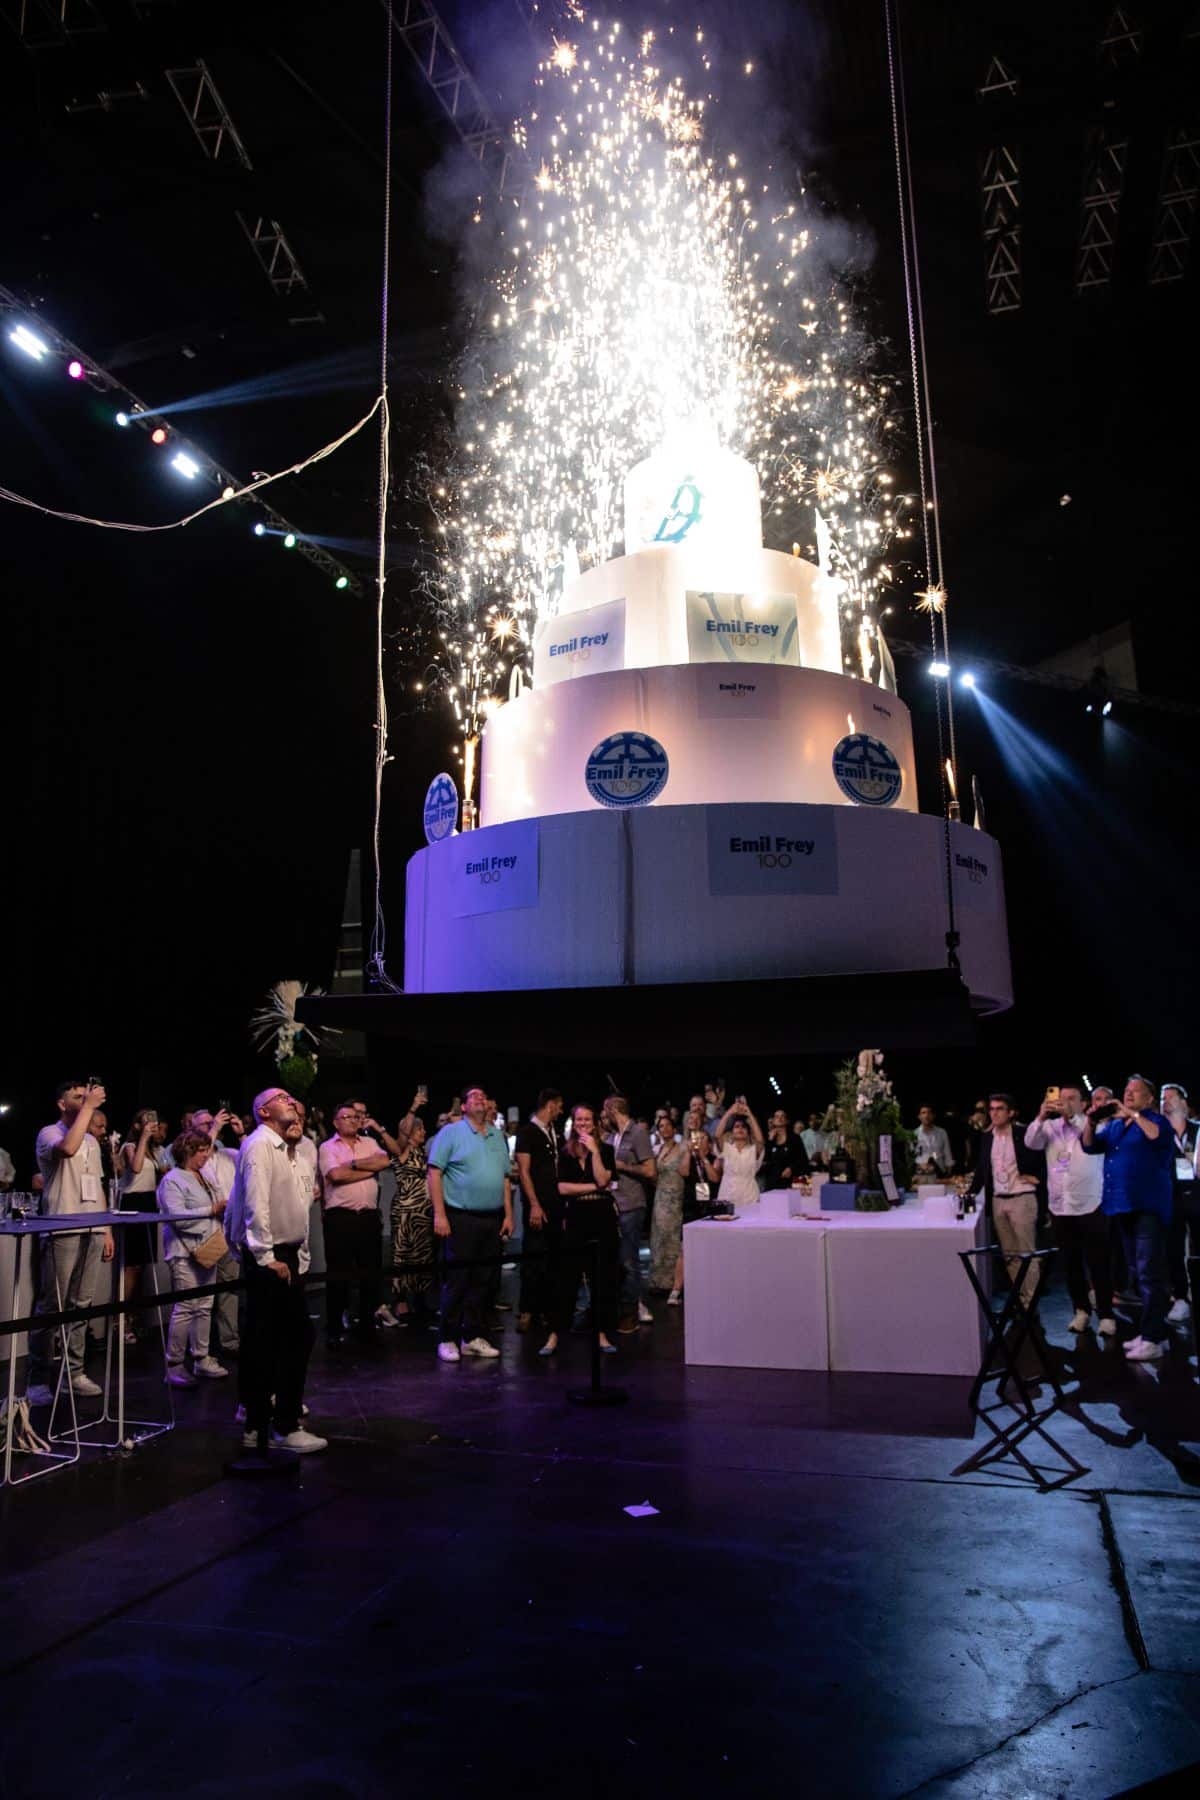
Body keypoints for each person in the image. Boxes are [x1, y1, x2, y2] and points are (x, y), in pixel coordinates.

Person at [226, 1087, 325, 1453]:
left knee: (274, 1338)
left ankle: (259, 1422)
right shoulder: (260, 1145)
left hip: (286, 1251)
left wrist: (299, 1253)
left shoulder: (295, 1150)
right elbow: (253, 1204)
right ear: (263, 1111)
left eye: (293, 1102)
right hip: (269, 1254)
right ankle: (280, 1424)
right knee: (287, 1337)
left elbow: (300, 1204)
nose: (292, 1104)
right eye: (282, 1099)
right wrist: (265, 1255)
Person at [30, 1080, 114, 1402]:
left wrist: (106, 1228)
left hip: (92, 1228)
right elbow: (67, 1149)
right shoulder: (49, 1133)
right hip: (61, 1228)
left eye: (86, 1095)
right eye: (77, 1097)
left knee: (82, 1304)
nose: (84, 1099)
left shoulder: (92, 1140)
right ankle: (38, 1378)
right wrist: (90, 1108)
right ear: (62, 1104)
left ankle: (73, 1373)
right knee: (52, 1305)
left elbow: (98, 1185)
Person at [1082, 1075, 1176, 1362]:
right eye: (1127, 1090)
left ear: (1149, 1099)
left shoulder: (1156, 1122)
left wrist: (1133, 1113)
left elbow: (1155, 1136)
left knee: (1150, 1274)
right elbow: (1089, 1146)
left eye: (1136, 1092)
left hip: (1147, 1206)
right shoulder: (1113, 1126)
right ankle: (1154, 1333)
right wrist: (1090, 1121)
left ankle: (1153, 1338)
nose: (1130, 1094)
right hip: (1121, 1206)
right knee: (1138, 1271)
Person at [427, 1086, 513, 1363]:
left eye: (483, 1096)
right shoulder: (451, 1133)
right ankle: (448, 1337)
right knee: (458, 1279)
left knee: (484, 1281)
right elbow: (435, 1172)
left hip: (492, 1218)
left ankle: (472, 1336)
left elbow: (505, 1179)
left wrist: (509, 1215)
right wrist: (439, 1214)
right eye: (474, 1096)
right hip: (461, 1217)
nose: (480, 1099)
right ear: (463, 1106)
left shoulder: (497, 1135)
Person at [1024, 1085, 1115, 1336]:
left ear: (1083, 1103)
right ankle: (1081, 1310)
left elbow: (1091, 1139)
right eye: (1061, 1098)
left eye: (1071, 1098)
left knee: (1098, 1262)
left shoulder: (1094, 1124)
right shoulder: (1050, 1127)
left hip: (1090, 1203)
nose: (1064, 1102)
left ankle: (1106, 1314)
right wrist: (1041, 1115)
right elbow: (1030, 1142)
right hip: (1060, 1205)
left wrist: (1074, 1118)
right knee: (1071, 1263)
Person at [541, 1103, 619, 1357]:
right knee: (567, 1278)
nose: (583, 1124)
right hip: (576, 1216)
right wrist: (595, 1187)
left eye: (588, 1120)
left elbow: (605, 1179)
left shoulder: (605, 1150)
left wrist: (595, 1152)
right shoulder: (566, 1153)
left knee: (602, 1278)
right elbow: (562, 1188)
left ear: (594, 1123)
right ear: (574, 1124)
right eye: (579, 1120)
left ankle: (601, 1333)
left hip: (602, 1216)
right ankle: (555, 1334)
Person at [156, 1130, 232, 1387]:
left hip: (207, 1249)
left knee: (204, 1305)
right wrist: (212, 1209)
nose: (206, 1155)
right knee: (186, 1307)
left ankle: (201, 1358)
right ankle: (174, 1364)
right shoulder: (172, 1180)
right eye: (202, 1151)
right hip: (184, 1251)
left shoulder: (203, 1177)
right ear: (188, 1151)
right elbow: (177, 1218)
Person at [318, 1102, 390, 1350]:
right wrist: (365, 1168)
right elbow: (335, 1176)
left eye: (353, 1117)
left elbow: (383, 1161)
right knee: (339, 1276)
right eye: (345, 1117)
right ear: (335, 1123)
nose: (351, 1120)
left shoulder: (369, 1143)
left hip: (368, 1217)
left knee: (370, 1274)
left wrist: (353, 1165)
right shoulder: (327, 1147)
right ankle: (335, 1328)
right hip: (341, 1218)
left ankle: (367, 1325)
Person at [971, 1094, 1045, 1308]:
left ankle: (1031, 1301)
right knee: (1009, 1255)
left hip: (1021, 1197)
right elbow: (982, 1168)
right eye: (991, 1109)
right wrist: (970, 1192)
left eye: (1000, 1108)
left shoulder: (1023, 1134)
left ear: (1011, 1112)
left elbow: (1042, 1158)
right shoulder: (987, 1137)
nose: (994, 1113)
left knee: (1027, 1253)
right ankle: (1021, 1298)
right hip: (998, 1200)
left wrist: (1036, 1178)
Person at [602, 1095, 655, 1332]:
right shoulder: (613, 1136)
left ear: (614, 1110)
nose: (603, 1117)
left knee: (629, 1260)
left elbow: (651, 1170)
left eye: (605, 1112)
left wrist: (624, 1167)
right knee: (617, 1260)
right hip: (614, 1204)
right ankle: (627, 1304)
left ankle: (631, 1311)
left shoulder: (638, 1134)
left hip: (632, 1205)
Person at [514, 1088, 563, 1334]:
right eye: (559, 1105)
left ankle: (546, 1309)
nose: (561, 1110)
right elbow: (523, 1171)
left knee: (552, 1259)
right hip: (537, 1205)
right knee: (533, 1256)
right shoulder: (527, 1133)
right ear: (550, 1105)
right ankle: (527, 1309)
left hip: (555, 1205)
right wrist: (534, 1203)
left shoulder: (554, 1132)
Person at [117, 1109, 165, 1345]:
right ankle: (121, 1320)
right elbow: (135, 1169)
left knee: (144, 1266)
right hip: (132, 1201)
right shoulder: (129, 1146)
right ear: (137, 1125)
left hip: (148, 1202)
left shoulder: (155, 1151)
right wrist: (144, 1137)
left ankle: (135, 1317)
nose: (152, 1123)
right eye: (146, 1120)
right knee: (132, 1266)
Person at [389, 1098, 435, 1326]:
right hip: (405, 1210)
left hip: (422, 1211)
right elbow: (403, 1131)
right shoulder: (402, 1151)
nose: (424, 1131)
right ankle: (400, 1301)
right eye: (420, 1128)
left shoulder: (424, 1153)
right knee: (403, 1255)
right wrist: (414, 1106)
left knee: (422, 1255)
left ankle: (421, 1299)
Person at [1161, 1083, 1198, 1326]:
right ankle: (1181, 1297)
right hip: (1171, 1196)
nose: (1167, 1102)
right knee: (1173, 1249)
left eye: (1172, 1097)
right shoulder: (1159, 1133)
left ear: (1184, 1103)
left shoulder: (1197, 1131)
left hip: (1196, 1194)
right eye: (1164, 1098)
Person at [648, 1115, 690, 1302]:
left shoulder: (682, 1148)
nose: (664, 1129)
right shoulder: (659, 1149)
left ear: (674, 1129)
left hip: (676, 1197)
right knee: (659, 1238)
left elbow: (685, 1172)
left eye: (667, 1126)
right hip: (660, 1197)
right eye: (661, 1126)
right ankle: (659, 1282)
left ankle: (674, 1283)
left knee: (673, 1239)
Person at [710, 1098, 765, 1209]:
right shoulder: (727, 1149)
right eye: (737, 1126)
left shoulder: (753, 1150)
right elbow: (717, 1136)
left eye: (744, 1127)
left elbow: (760, 1141)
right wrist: (730, 1112)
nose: (740, 1129)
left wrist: (749, 1114)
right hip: (727, 1196)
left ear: (748, 1133)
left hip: (749, 1196)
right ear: (732, 1132)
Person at [760, 1109, 809, 1191]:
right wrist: (770, 1140)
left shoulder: (795, 1138)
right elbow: (765, 1159)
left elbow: (803, 1160)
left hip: (793, 1182)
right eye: (777, 1116)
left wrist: (791, 1168)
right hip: (773, 1183)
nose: (780, 1118)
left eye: (782, 1116)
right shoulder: (770, 1140)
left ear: (787, 1121)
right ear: (773, 1121)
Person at [914, 1106, 954, 1176]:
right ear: (919, 1116)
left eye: (929, 1113)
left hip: (940, 1171)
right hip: (921, 1172)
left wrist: (949, 1172)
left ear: (933, 1116)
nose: (926, 1115)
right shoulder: (914, 1134)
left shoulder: (942, 1132)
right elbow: (911, 1157)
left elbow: (947, 1154)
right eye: (923, 1113)